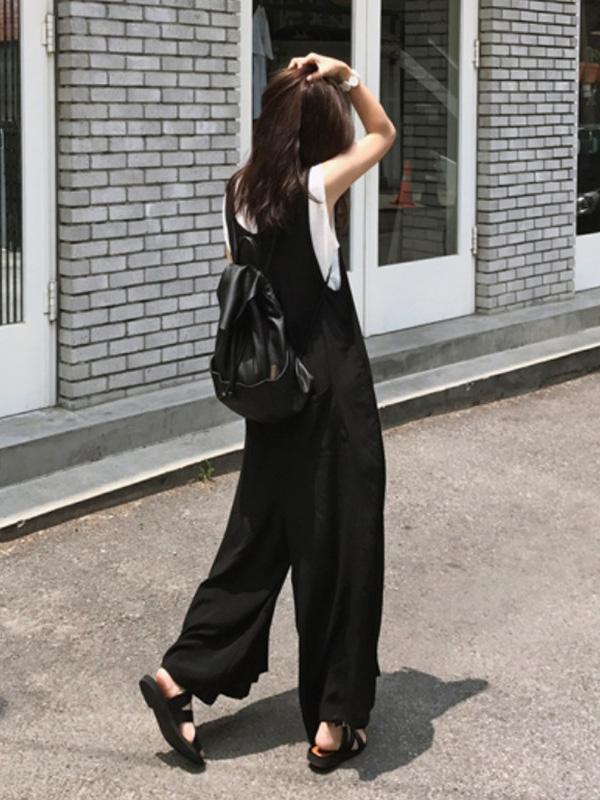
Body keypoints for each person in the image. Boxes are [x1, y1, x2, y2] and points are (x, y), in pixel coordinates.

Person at [139, 52, 397, 773]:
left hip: (273, 397)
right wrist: (347, 80)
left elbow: (248, 281)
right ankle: (335, 721)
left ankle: (177, 677)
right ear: (319, 130)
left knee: (256, 544)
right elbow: (383, 135)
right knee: (343, 548)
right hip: (332, 400)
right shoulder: (316, 187)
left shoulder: (238, 191)